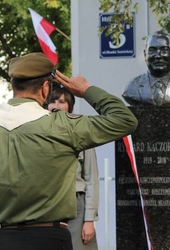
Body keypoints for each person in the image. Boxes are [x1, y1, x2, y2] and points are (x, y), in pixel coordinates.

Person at [0, 52, 138, 250]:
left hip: (2, 239)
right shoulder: (64, 127)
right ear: (45, 88)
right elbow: (125, 120)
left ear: (13, 85)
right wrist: (86, 90)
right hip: (52, 240)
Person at [48, 84, 99, 250]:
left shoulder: (81, 132)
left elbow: (91, 178)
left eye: (62, 102)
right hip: (47, 206)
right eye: (52, 101)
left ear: (70, 105)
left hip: (76, 205)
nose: (56, 106)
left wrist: (89, 219)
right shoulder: (38, 133)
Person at [122, 30, 170, 106]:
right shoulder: (131, 88)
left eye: (164, 50)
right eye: (152, 50)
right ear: (145, 54)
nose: (158, 56)